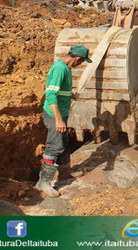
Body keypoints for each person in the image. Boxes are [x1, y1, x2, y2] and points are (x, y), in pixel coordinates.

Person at [36, 44, 92, 197]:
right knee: (55, 146)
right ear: (77, 58)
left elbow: (59, 91)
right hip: (55, 115)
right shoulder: (60, 69)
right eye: (81, 62)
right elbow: (51, 95)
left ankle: (64, 174)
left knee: (63, 142)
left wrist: (70, 95)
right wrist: (58, 120)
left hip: (61, 113)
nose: (80, 65)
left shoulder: (65, 68)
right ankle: (44, 182)